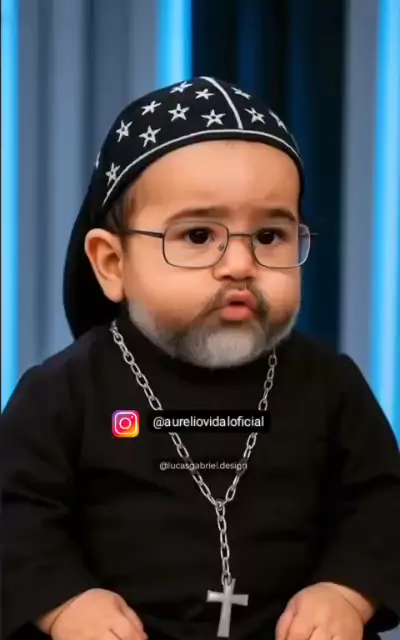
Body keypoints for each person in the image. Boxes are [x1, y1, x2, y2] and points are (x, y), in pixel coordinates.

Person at [1, 76, 400, 640]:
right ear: (113, 264)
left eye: (270, 236)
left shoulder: (329, 385)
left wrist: (346, 592)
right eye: (197, 236)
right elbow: (16, 512)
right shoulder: (64, 390)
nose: (240, 264)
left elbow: (381, 503)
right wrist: (65, 603)